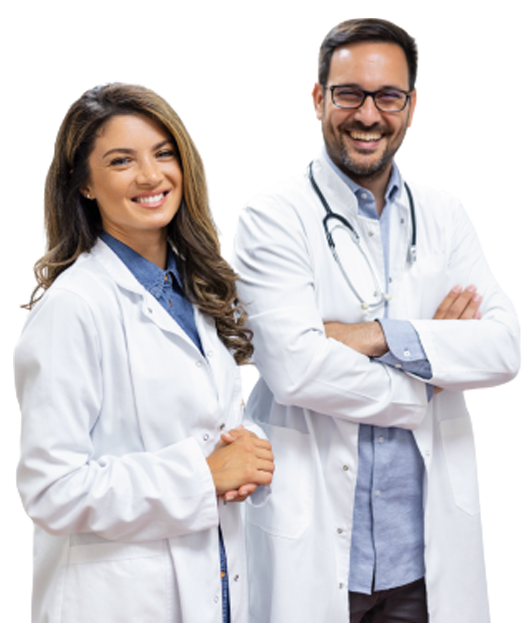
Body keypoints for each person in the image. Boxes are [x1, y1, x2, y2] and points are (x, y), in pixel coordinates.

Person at [232, 19, 521, 623]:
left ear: (409, 106)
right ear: (318, 98)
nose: (369, 115)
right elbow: (296, 371)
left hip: (421, 556)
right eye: (350, 94)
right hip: (316, 550)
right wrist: (431, 371)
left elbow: (505, 346)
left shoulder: (445, 216)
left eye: (388, 96)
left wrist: (377, 336)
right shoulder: (271, 219)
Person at [14, 84, 274, 623]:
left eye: (163, 153)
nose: (151, 176)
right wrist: (204, 475)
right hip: (118, 601)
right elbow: (51, 490)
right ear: (85, 185)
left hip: (217, 584)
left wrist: (246, 448)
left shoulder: (195, 290)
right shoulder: (74, 307)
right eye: (121, 161)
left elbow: (200, 421)